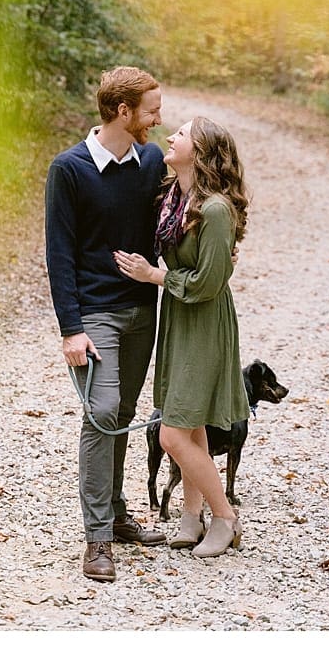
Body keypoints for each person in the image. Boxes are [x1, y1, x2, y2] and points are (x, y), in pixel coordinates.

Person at [44, 66, 169, 584]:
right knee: (100, 412)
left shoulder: (153, 162)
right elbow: (59, 253)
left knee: (121, 411)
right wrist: (70, 328)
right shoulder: (69, 169)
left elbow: (174, 222)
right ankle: (97, 537)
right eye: (152, 111)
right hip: (94, 315)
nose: (159, 120)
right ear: (123, 112)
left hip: (142, 312)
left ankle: (117, 515)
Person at [115, 117, 250, 557]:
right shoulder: (175, 197)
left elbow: (208, 283)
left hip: (204, 320)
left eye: (182, 134)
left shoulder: (214, 210)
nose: (170, 137)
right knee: (190, 426)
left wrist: (155, 275)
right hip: (177, 316)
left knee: (172, 434)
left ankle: (225, 517)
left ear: (202, 150)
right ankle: (191, 517)